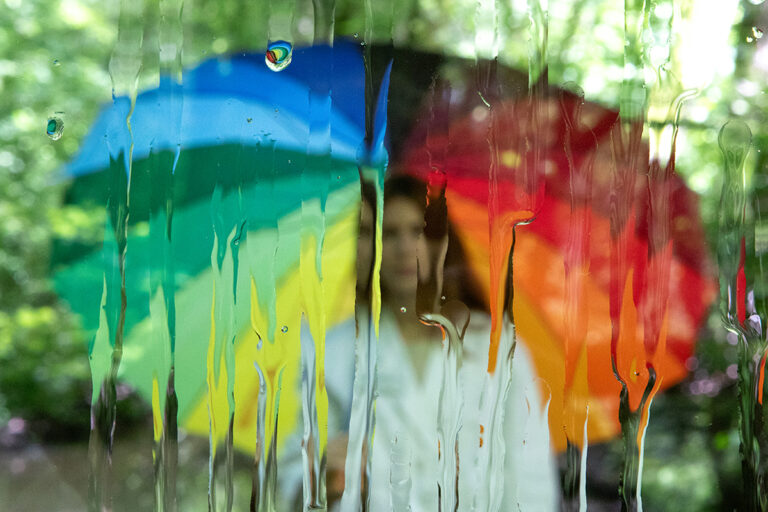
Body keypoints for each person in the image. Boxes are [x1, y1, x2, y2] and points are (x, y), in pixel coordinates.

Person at [321, 174, 559, 510]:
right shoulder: (336, 354)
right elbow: (295, 481)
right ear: (366, 248)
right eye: (388, 234)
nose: (405, 247)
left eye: (417, 231)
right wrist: (327, 481)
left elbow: (530, 478)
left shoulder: (497, 346)